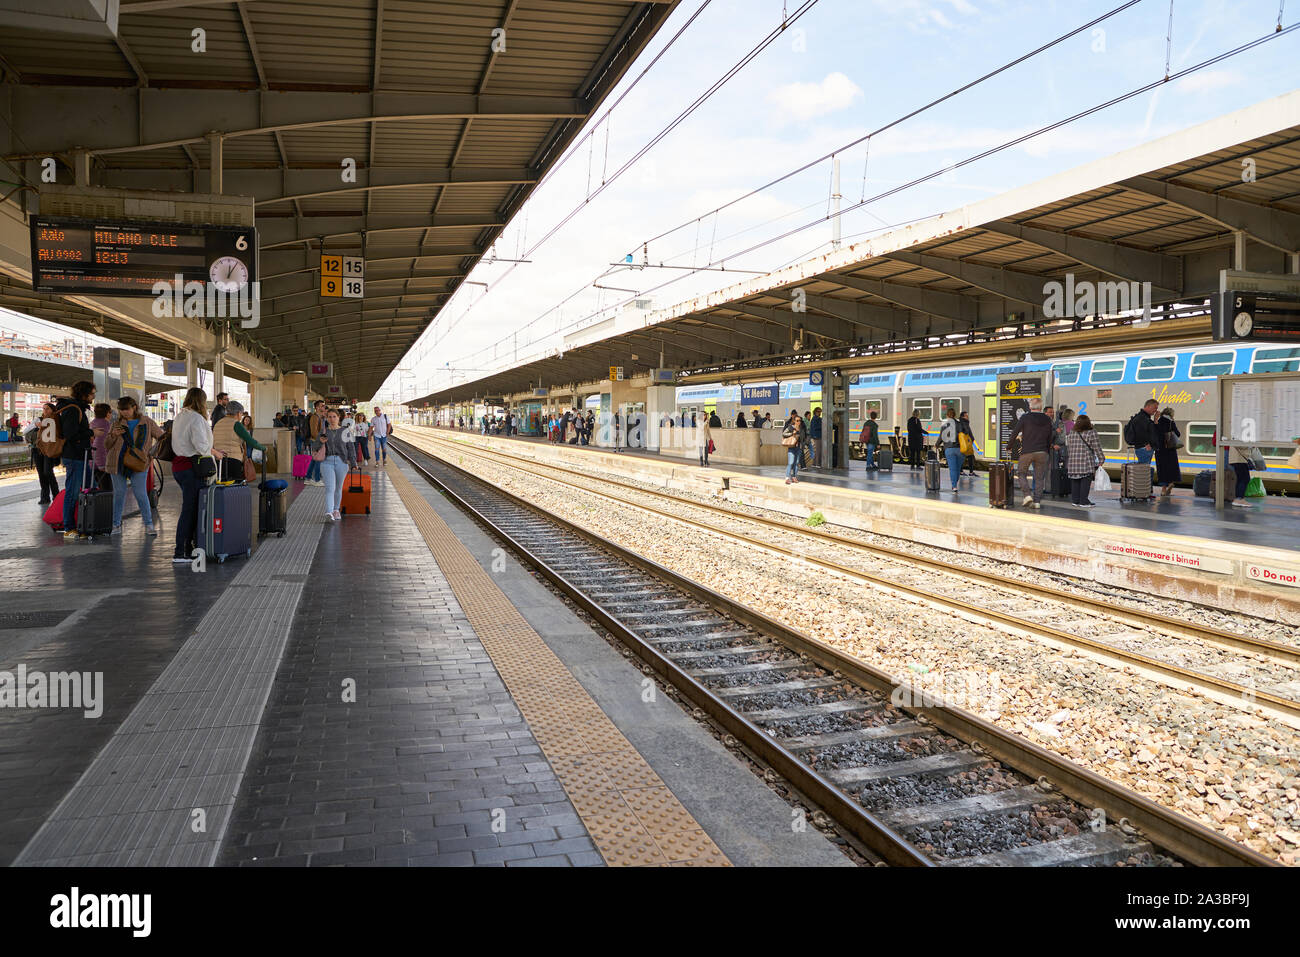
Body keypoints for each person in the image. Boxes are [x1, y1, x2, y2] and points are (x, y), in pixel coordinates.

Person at [170, 387, 220, 563]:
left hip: (179, 467)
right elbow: (201, 445)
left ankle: (189, 548)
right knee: (190, 510)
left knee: (190, 508)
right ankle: (180, 551)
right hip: (192, 467)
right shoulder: (196, 418)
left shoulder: (180, 416)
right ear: (202, 401)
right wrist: (213, 452)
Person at [104, 395, 164, 535]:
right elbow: (107, 445)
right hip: (117, 462)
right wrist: (113, 435)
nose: (124, 412)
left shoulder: (147, 422)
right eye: (121, 410)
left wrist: (151, 453)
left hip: (139, 462)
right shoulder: (116, 423)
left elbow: (161, 437)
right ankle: (116, 524)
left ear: (134, 407)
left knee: (140, 494)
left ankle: (149, 524)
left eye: (127, 409)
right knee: (119, 494)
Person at [54, 380, 96, 540]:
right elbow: (70, 434)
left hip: (81, 456)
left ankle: (85, 524)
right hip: (74, 456)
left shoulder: (78, 408)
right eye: (92, 393)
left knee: (92, 489)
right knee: (72, 492)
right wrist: (91, 433)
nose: (93, 396)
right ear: (84, 394)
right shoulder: (73, 409)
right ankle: (69, 528)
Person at [1009, 396, 1054, 509]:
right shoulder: (1047, 419)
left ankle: (1027, 495)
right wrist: (1047, 450)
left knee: (1021, 473)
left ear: (1030, 406)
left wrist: (1009, 446)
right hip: (1042, 452)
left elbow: (1015, 432)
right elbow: (1050, 436)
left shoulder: (1025, 417)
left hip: (1027, 451)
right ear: (1041, 407)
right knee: (1039, 478)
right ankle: (1037, 502)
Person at [212, 400, 264, 483]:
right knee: (234, 486)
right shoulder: (236, 424)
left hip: (219, 460)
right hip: (233, 459)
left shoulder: (218, 423)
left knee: (222, 485)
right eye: (241, 414)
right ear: (238, 413)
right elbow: (250, 440)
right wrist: (262, 448)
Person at [1064, 414, 1105, 509]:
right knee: (1085, 480)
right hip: (1085, 461)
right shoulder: (1091, 432)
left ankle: (1075, 500)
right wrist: (1101, 459)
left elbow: (1069, 447)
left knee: (1075, 480)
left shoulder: (1072, 432)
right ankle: (1084, 501)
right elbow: (1097, 447)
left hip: (1073, 461)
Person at [318, 409, 350, 521]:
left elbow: (351, 447)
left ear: (338, 418)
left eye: (334, 417)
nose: (332, 419)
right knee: (330, 488)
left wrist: (354, 462)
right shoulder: (324, 431)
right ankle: (329, 511)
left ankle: (336, 510)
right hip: (327, 462)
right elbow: (315, 447)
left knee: (338, 488)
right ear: (327, 418)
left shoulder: (345, 431)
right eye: (329, 417)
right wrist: (320, 441)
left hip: (341, 462)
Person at [28, 402, 60, 505]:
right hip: (37, 450)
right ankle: (45, 497)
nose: (45, 411)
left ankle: (56, 495)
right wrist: (36, 426)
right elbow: (26, 432)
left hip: (49, 450)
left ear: (53, 410)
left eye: (47, 409)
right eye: (44, 409)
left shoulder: (56, 420)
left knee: (48, 472)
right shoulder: (38, 420)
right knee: (41, 474)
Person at [1125, 399, 1161, 472]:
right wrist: (1146, 444)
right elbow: (1140, 433)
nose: (1156, 410)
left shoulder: (1145, 417)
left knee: (1144, 470)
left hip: (1144, 448)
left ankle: (1145, 483)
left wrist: (1155, 420)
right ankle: (1144, 483)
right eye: (1155, 408)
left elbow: (1153, 431)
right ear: (1148, 406)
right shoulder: (1141, 418)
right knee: (1144, 471)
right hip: (1144, 449)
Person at [1153, 407, 1182, 498]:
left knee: (1162, 469)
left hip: (1161, 450)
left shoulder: (1159, 421)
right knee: (1171, 467)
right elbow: (1178, 434)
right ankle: (1171, 483)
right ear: (1171, 414)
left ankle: (1163, 489)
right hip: (1170, 449)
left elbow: (1155, 433)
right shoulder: (1171, 422)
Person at [937, 408, 963, 493]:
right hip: (960, 449)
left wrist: (937, 445)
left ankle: (954, 486)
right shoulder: (960, 424)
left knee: (952, 469)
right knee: (958, 469)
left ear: (947, 415)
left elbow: (941, 437)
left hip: (949, 449)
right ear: (955, 415)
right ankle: (955, 483)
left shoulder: (945, 424)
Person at [303, 400, 327, 486]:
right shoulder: (314, 417)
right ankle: (317, 480)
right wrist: (320, 441)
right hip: (316, 441)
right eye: (322, 405)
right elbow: (314, 431)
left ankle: (308, 478)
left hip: (318, 440)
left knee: (314, 460)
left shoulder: (321, 417)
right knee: (318, 460)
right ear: (317, 407)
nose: (323, 407)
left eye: (324, 405)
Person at [1226, 443, 1256, 508]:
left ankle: (1239, 499)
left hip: (1238, 458)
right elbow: (1238, 444)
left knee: (1240, 479)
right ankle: (1239, 499)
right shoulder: (1237, 433)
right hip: (1239, 459)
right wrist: (1249, 445)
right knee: (1245, 478)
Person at [90, 402, 112, 488]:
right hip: (102, 464)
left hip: (92, 462)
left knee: (97, 488)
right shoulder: (105, 425)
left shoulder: (92, 423)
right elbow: (100, 445)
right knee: (106, 489)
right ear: (107, 413)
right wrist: (102, 464)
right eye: (110, 412)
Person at [782, 410, 805, 485]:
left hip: (799, 448)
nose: (799, 422)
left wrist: (803, 445)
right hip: (792, 447)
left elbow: (804, 437)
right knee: (791, 462)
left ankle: (794, 476)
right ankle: (787, 477)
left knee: (796, 463)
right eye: (797, 420)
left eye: (800, 421)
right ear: (794, 421)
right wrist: (792, 433)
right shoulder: (791, 427)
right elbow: (784, 434)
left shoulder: (801, 428)